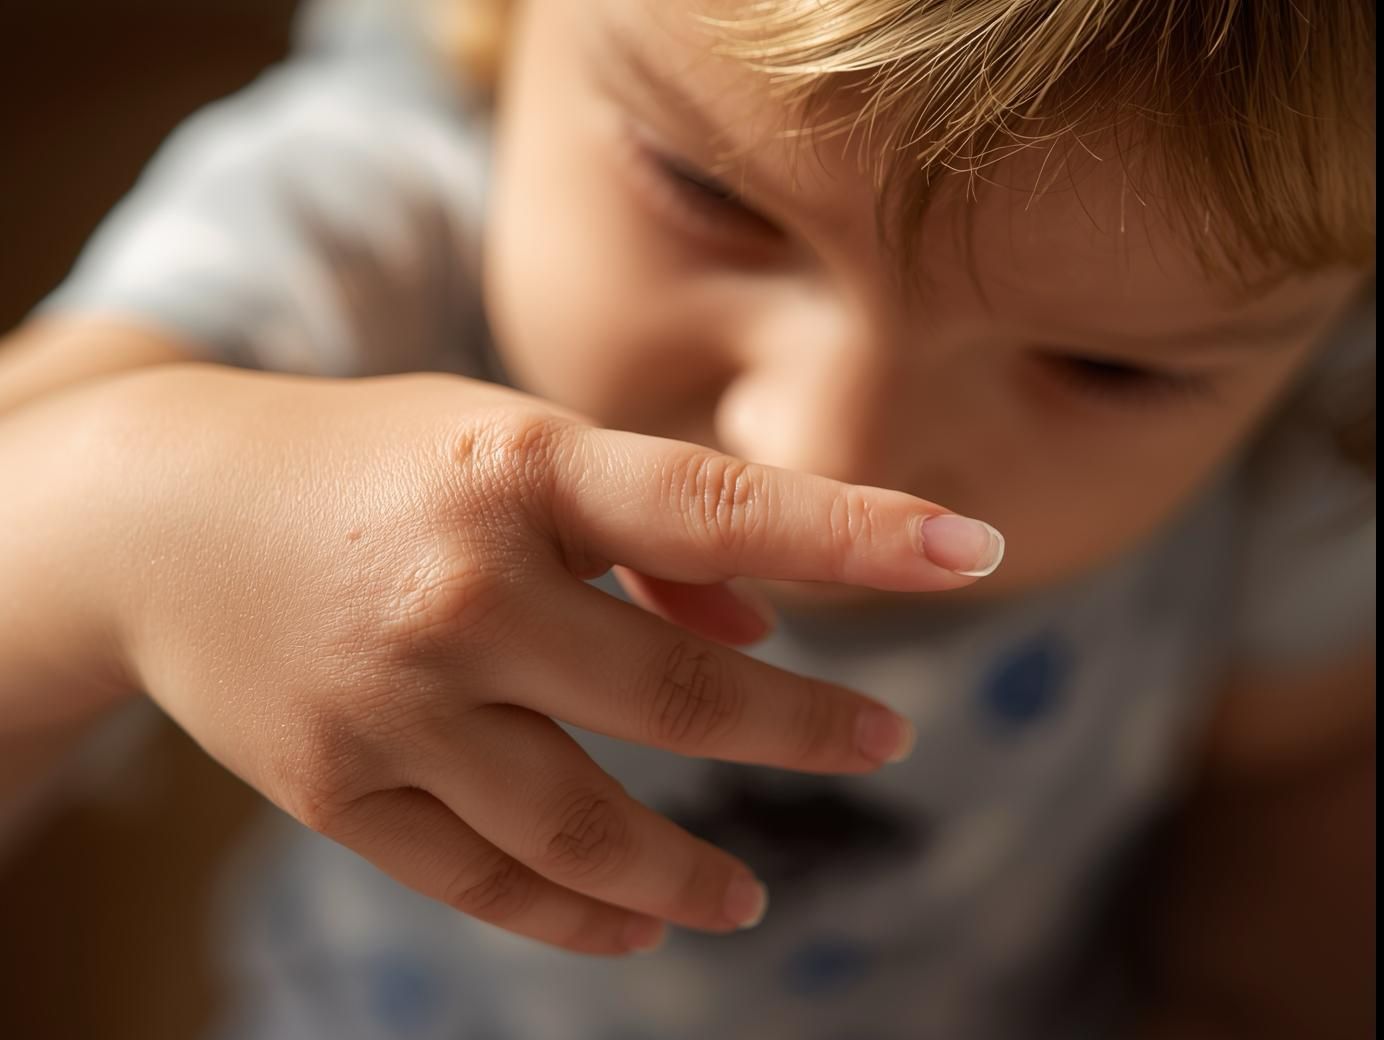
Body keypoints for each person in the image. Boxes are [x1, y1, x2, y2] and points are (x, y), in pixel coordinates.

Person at [0, 0, 1373, 1036]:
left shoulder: (1311, 433)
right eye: (710, 196)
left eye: (1108, 370)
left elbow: (1286, 830)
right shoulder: (369, 231)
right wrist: (132, 510)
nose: (828, 447)